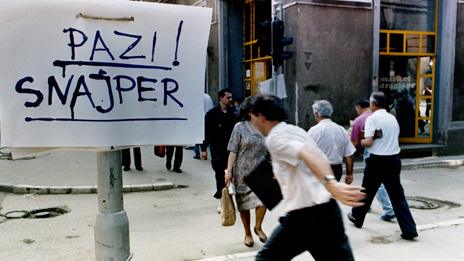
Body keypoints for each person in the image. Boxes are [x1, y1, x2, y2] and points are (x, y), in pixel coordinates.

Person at [249, 94, 366, 260]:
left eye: (251, 116)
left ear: (261, 117)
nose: (251, 121)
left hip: (303, 218)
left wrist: (330, 183)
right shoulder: (296, 130)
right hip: (328, 213)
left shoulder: (274, 139)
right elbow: (315, 157)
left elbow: (308, 153)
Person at [348, 91, 418, 241]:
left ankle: (357, 217)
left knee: (366, 190)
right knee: (397, 195)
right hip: (393, 159)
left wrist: (360, 142)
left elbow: (368, 142)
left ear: (373, 104)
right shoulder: (392, 118)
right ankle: (409, 229)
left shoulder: (373, 119)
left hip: (377, 160)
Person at [225, 97, 267, 248]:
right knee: (243, 205)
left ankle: (258, 227)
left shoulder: (265, 127)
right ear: (249, 112)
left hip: (261, 170)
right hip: (242, 172)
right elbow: (233, 150)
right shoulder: (240, 127)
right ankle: (248, 233)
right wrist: (229, 171)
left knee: (263, 200)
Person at [351, 98, 396, 222]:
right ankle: (365, 206)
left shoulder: (360, 120)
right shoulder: (387, 117)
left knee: (375, 183)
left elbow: (355, 142)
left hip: (373, 154)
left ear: (359, 107)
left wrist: (352, 153)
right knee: (372, 182)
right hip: (390, 154)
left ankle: (388, 209)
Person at [201, 88, 237, 207]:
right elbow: (206, 132)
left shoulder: (234, 113)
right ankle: (222, 199)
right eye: (228, 97)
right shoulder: (211, 114)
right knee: (220, 174)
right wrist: (203, 148)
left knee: (231, 174)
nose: (230, 100)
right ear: (221, 98)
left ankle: (230, 198)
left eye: (231, 97)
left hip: (232, 150)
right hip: (217, 149)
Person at [307, 100, 356, 184]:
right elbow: (349, 156)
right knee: (332, 194)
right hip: (337, 170)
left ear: (317, 114)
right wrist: (349, 174)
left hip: (320, 169)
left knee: (321, 195)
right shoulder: (341, 130)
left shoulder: (313, 131)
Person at [194, 93, 215, 159]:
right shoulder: (208, 96)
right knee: (207, 136)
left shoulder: (198, 97)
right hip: (208, 118)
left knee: (198, 136)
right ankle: (204, 150)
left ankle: (198, 153)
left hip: (200, 118)